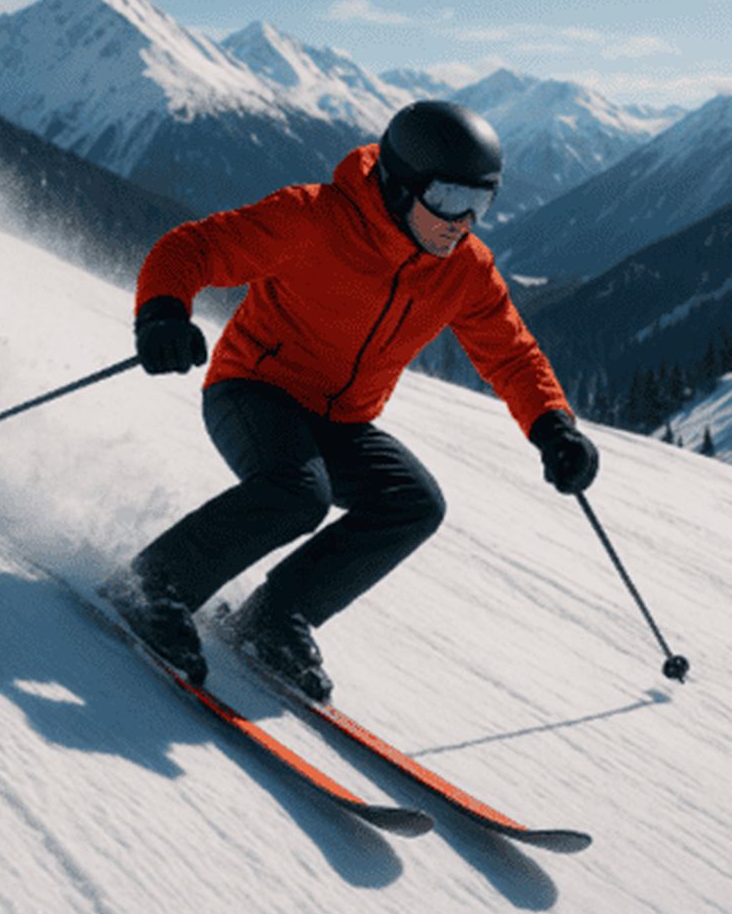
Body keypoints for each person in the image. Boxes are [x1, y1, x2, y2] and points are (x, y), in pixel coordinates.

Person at [100, 101, 598, 699]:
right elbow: (191, 249)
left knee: (412, 503)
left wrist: (553, 427)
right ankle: (154, 585)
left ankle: (274, 617)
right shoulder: (315, 219)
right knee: (297, 492)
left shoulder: (464, 270)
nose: (460, 221)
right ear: (398, 184)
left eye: (480, 203)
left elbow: (511, 355)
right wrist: (162, 314)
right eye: (446, 198)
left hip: (342, 419)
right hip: (255, 387)